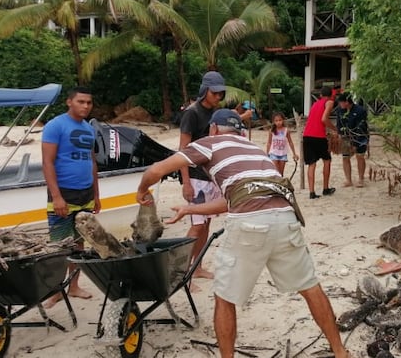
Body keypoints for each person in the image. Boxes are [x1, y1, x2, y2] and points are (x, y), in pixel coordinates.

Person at [135, 109, 351, 358]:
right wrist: (191, 209)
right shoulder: (253, 149)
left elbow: (156, 170)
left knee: (225, 297)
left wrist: (142, 190)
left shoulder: (209, 142)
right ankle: (340, 351)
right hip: (286, 217)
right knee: (310, 287)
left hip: (250, 223)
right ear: (239, 130)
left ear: (214, 128)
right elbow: (237, 198)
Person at [41, 86, 100, 308]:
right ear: (69, 102)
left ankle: (73, 286)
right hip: (63, 194)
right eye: (81, 102)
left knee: (78, 244)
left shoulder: (88, 128)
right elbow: (47, 162)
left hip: (85, 194)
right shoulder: (55, 126)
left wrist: (96, 194)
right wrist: (56, 196)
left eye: (89, 102)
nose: (85, 106)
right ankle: (56, 290)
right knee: (59, 246)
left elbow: (92, 161)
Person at [178, 71, 226, 280]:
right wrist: (186, 181)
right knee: (197, 226)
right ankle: (181, 272)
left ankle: (197, 267)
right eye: (215, 93)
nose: (218, 97)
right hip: (195, 178)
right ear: (205, 91)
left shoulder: (214, 114)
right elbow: (182, 150)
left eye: (221, 94)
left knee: (206, 224)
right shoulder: (192, 113)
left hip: (210, 177)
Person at [302, 86, 338, 199]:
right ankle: (325, 188)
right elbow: (323, 119)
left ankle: (312, 192)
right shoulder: (329, 102)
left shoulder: (315, 104)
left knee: (311, 164)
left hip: (307, 135)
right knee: (327, 160)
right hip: (318, 136)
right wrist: (334, 128)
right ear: (330, 95)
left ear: (321, 95)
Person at [335, 93, 369, 187]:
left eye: (341, 102)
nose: (340, 105)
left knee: (360, 156)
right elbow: (339, 124)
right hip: (345, 136)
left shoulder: (360, 110)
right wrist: (339, 135)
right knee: (345, 157)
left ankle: (361, 179)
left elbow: (361, 127)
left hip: (360, 136)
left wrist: (355, 143)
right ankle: (348, 180)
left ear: (346, 102)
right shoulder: (340, 111)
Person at [265, 111, 299, 177]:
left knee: (281, 173)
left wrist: (294, 154)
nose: (278, 122)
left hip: (283, 154)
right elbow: (269, 143)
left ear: (283, 120)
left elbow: (290, 142)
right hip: (273, 153)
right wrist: (267, 153)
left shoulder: (286, 130)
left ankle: (280, 186)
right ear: (273, 122)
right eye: (276, 120)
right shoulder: (271, 131)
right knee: (276, 172)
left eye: (280, 120)